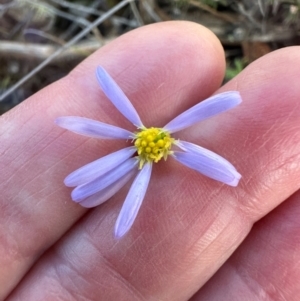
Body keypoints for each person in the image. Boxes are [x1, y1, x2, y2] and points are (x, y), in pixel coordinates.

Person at [0, 21, 299, 300]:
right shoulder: (145, 147)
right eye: (154, 142)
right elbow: (80, 183)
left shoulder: (162, 144)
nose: (155, 142)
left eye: (157, 142)